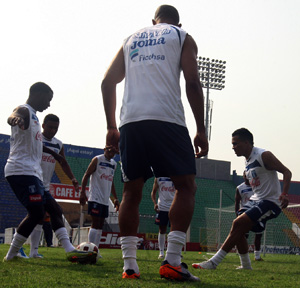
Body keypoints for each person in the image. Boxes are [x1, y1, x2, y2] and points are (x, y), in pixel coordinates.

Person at [101, 5, 208, 281]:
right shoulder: (181, 35)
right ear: (178, 22)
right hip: (166, 120)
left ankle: (129, 267)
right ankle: (172, 261)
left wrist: (112, 126)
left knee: (131, 193)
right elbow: (193, 83)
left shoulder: (130, 38)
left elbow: (107, 82)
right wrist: (201, 128)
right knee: (185, 186)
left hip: (131, 122)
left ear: (153, 21)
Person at [3, 82, 92, 263]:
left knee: (54, 209)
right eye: (48, 99)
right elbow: (13, 116)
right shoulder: (24, 110)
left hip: (32, 173)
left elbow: (37, 145)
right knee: (36, 214)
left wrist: (55, 155)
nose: (49, 104)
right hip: (21, 170)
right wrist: (15, 120)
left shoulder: (34, 117)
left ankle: (69, 249)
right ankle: (11, 255)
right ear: (38, 94)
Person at [192, 128, 291, 270]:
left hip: (270, 202)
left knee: (239, 223)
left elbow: (287, 172)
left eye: (236, 144)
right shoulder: (247, 161)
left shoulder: (264, 155)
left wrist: (285, 194)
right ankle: (246, 265)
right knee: (238, 228)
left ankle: (213, 263)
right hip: (255, 200)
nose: (233, 147)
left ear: (247, 142)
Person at [19, 113, 81, 258]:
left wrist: (72, 178)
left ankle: (32, 251)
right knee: (52, 211)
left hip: (45, 185)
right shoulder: (35, 138)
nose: (53, 130)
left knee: (38, 216)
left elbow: (63, 162)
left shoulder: (58, 144)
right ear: (43, 126)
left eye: (56, 128)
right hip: (33, 180)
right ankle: (67, 247)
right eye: (50, 127)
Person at [79, 146, 120, 257]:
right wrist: (83, 192)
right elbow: (86, 175)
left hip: (105, 199)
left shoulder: (114, 164)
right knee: (95, 223)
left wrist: (115, 198)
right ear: (105, 149)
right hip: (95, 197)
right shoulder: (97, 159)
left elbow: (111, 182)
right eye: (109, 150)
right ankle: (90, 249)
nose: (111, 153)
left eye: (114, 152)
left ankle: (95, 250)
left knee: (101, 225)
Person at [235, 171, 264, 261]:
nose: (247, 177)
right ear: (243, 176)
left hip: (257, 213)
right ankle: (242, 254)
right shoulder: (240, 188)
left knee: (258, 235)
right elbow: (237, 202)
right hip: (245, 213)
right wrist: (237, 214)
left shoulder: (257, 186)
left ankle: (257, 256)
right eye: (246, 175)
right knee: (243, 235)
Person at [151, 177, 176, 259]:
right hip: (162, 208)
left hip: (173, 207)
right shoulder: (158, 178)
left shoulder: (175, 176)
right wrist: (155, 203)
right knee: (162, 230)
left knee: (174, 230)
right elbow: (153, 193)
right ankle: (161, 252)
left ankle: (173, 252)